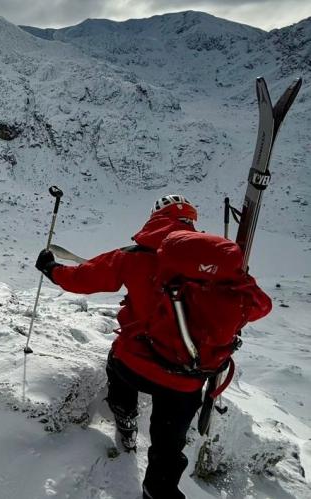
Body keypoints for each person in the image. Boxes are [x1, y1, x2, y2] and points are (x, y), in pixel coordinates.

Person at [34, 195, 271, 499]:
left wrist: (51, 268)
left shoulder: (133, 255)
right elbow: (261, 306)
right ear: (190, 222)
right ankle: (157, 492)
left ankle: (126, 420)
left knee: (116, 365)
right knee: (168, 446)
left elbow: (83, 279)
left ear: (155, 217)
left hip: (134, 363)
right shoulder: (216, 268)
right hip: (186, 379)